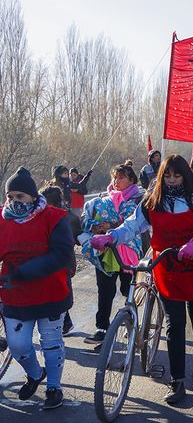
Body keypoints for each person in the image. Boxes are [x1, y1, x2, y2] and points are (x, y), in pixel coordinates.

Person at [91, 155, 193, 404]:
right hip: (166, 267)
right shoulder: (153, 200)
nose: (172, 180)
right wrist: (111, 237)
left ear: (186, 176)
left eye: (178, 175)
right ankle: (178, 381)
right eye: (168, 175)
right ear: (161, 176)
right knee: (175, 321)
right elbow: (132, 225)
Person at [1, 167, 74, 410]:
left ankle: (54, 387)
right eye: (10, 197)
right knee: (18, 345)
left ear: (32, 196)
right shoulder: (2, 219)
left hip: (49, 292)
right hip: (15, 294)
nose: (14, 202)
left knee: (51, 342)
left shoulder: (54, 217)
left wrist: (24, 272)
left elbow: (62, 254)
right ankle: (34, 374)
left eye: (20, 197)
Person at [79, 161, 144, 346]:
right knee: (105, 290)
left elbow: (134, 223)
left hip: (127, 250)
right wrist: (96, 226)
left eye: (121, 177)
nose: (116, 181)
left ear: (131, 180)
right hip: (104, 250)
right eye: (114, 177)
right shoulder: (100, 201)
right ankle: (102, 328)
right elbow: (85, 220)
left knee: (128, 290)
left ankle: (133, 322)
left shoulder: (138, 200)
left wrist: (112, 226)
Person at [39, 185, 80, 337]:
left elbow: (79, 237)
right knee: (55, 292)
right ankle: (65, 323)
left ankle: (63, 324)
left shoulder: (67, 218)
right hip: (52, 263)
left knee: (60, 293)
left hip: (64, 264)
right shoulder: (41, 217)